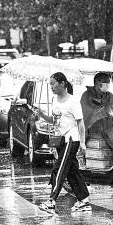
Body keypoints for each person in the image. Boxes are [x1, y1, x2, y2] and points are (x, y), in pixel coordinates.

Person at [36, 72, 91, 214]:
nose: (51, 87)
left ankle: (51, 201)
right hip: (60, 141)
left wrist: (83, 143)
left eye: (53, 83)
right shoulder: (55, 100)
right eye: (50, 84)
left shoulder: (73, 101)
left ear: (62, 83)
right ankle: (84, 201)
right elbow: (54, 122)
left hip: (71, 140)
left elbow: (81, 124)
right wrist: (42, 115)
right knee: (72, 172)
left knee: (58, 169)